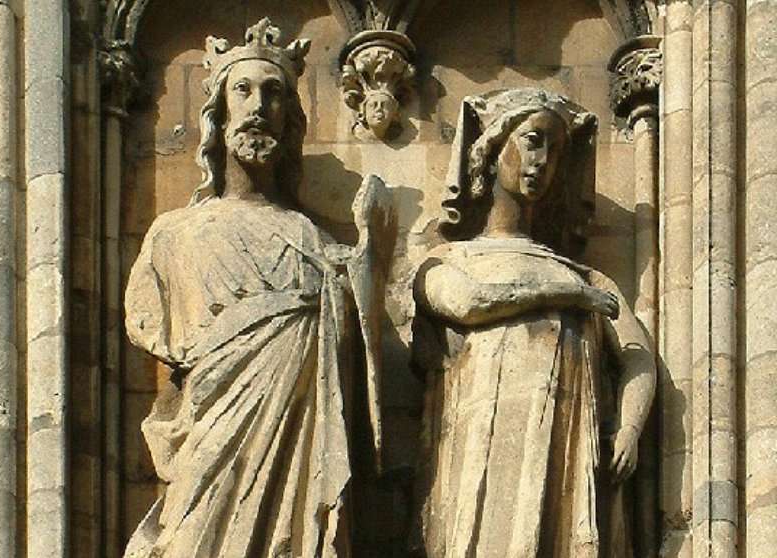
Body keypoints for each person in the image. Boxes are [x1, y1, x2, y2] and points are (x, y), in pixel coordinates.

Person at [123, 18, 396, 558]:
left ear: (289, 118)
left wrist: (372, 261)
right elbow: (148, 324)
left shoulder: (312, 239)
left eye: (274, 94)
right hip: (211, 436)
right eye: (242, 91)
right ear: (218, 115)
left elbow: (344, 360)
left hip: (298, 451)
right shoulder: (172, 234)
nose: (258, 107)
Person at [411, 89, 656, 557]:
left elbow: (637, 357)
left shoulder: (587, 278)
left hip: (567, 449)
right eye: (532, 141)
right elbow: (469, 304)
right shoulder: (448, 261)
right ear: (492, 147)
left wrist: (628, 429)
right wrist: (567, 294)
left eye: (555, 151)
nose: (542, 161)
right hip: (480, 449)